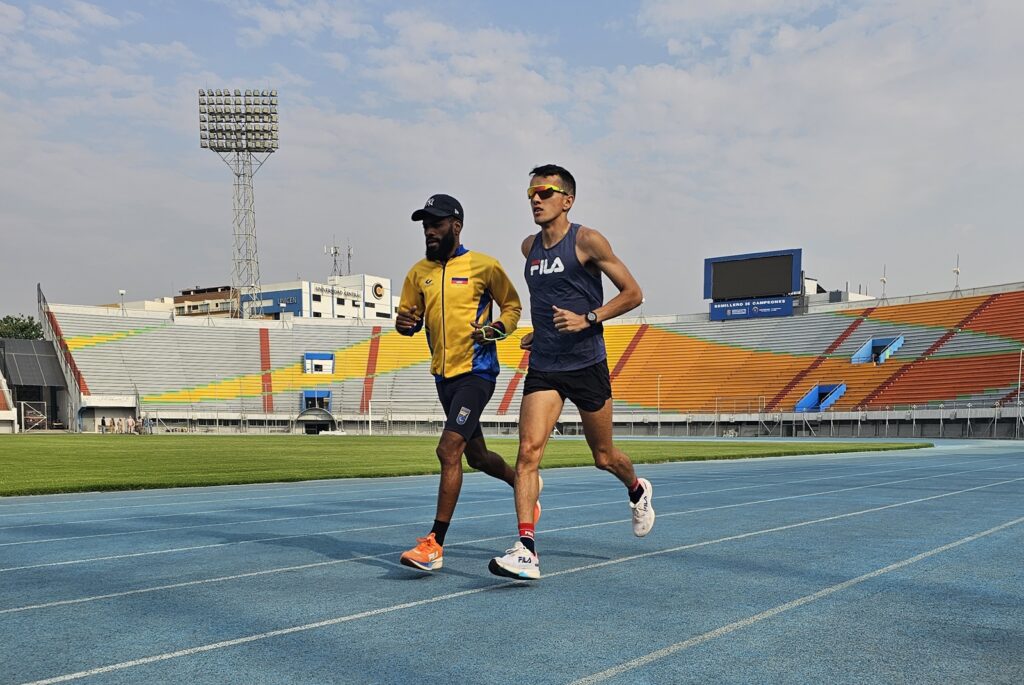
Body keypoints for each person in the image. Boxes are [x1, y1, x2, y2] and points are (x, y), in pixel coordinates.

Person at [489, 164, 655, 581]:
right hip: (545, 365)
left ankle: (637, 489)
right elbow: (547, 301)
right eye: (531, 193)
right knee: (528, 453)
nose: (536, 199)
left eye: (545, 192)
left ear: (568, 200)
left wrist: (589, 318)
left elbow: (634, 293)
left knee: (603, 456)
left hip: (586, 364)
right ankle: (526, 549)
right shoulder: (528, 247)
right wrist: (539, 333)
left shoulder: (587, 240)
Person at [396, 193, 536, 572]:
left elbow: (512, 306)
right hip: (443, 378)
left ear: (456, 226)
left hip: (477, 373)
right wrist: (404, 324)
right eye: (426, 225)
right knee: (477, 457)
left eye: (437, 224)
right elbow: (408, 319)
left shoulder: (484, 266)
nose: (429, 231)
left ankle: (434, 544)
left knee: (448, 450)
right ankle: (522, 487)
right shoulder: (418, 273)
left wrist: (496, 329)